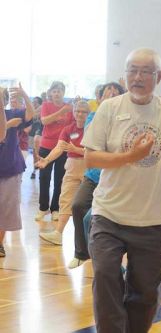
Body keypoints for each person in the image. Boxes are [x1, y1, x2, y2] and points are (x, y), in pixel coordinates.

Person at [81, 48, 161, 333]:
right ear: (125, 75)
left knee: (146, 294)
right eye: (132, 70)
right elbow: (91, 157)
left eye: (145, 72)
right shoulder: (110, 108)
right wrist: (130, 157)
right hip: (109, 215)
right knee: (105, 276)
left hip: (154, 219)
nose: (137, 77)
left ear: (158, 77)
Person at [69, 82, 126, 269]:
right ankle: (81, 252)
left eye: (116, 93)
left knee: (95, 219)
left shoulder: (125, 118)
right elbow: (93, 143)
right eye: (107, 92)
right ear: (99, 98)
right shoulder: (93, 116)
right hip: (93, 176)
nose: (111, 95)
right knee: (78, 205)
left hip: (115, 178)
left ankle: (111, 259)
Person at [37, 101, 90, 245]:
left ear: (89, 113)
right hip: (72, 168)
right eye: (77, 111)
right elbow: (59, 148)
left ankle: (90, 237)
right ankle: (58, 233)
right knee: (65, 199)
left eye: (84, 112)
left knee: (87, 204)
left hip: (89, 169)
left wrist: (77, 150)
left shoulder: (93, 128)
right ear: (73, 112)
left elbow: (96, 152)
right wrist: (46, 160)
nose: (80, 114)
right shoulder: (68, 129)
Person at [0, 84, 34, 257]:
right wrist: (7, 125)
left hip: (10, 168)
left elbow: (30, 114)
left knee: (7, 207)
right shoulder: (9, 119)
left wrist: (24, 94)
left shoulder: (13, 113)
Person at [37, 81, 74, 222]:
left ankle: (55, 209)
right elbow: (45, 121)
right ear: (50, 93)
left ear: (64, 92)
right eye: (54, 91)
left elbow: (72, 127)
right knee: (44, 177)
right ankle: (42, 208)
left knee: (60, 178)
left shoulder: (69, 108)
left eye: (59, 91)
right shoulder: (46, 105)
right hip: (46, 146)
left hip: (63, 147)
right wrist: (61, 111)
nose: (57, 93)